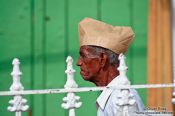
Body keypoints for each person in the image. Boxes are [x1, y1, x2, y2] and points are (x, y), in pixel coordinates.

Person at [76, 18, 145, 116]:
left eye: (83, 56)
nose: (78, 62)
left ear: (102, 59)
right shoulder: (113, 94)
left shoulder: (122, 96)